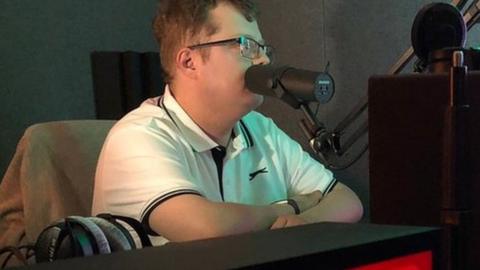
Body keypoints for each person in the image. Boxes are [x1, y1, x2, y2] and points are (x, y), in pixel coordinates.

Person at [91, 0, 363, 246]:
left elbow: (347, 201)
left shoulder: (260, 129)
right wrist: (290, 208)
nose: (264, 59)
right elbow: (205, 228)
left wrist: (306, 222)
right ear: (189, 62)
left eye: (264, 48)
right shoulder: (138, 136)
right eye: (246, 45)